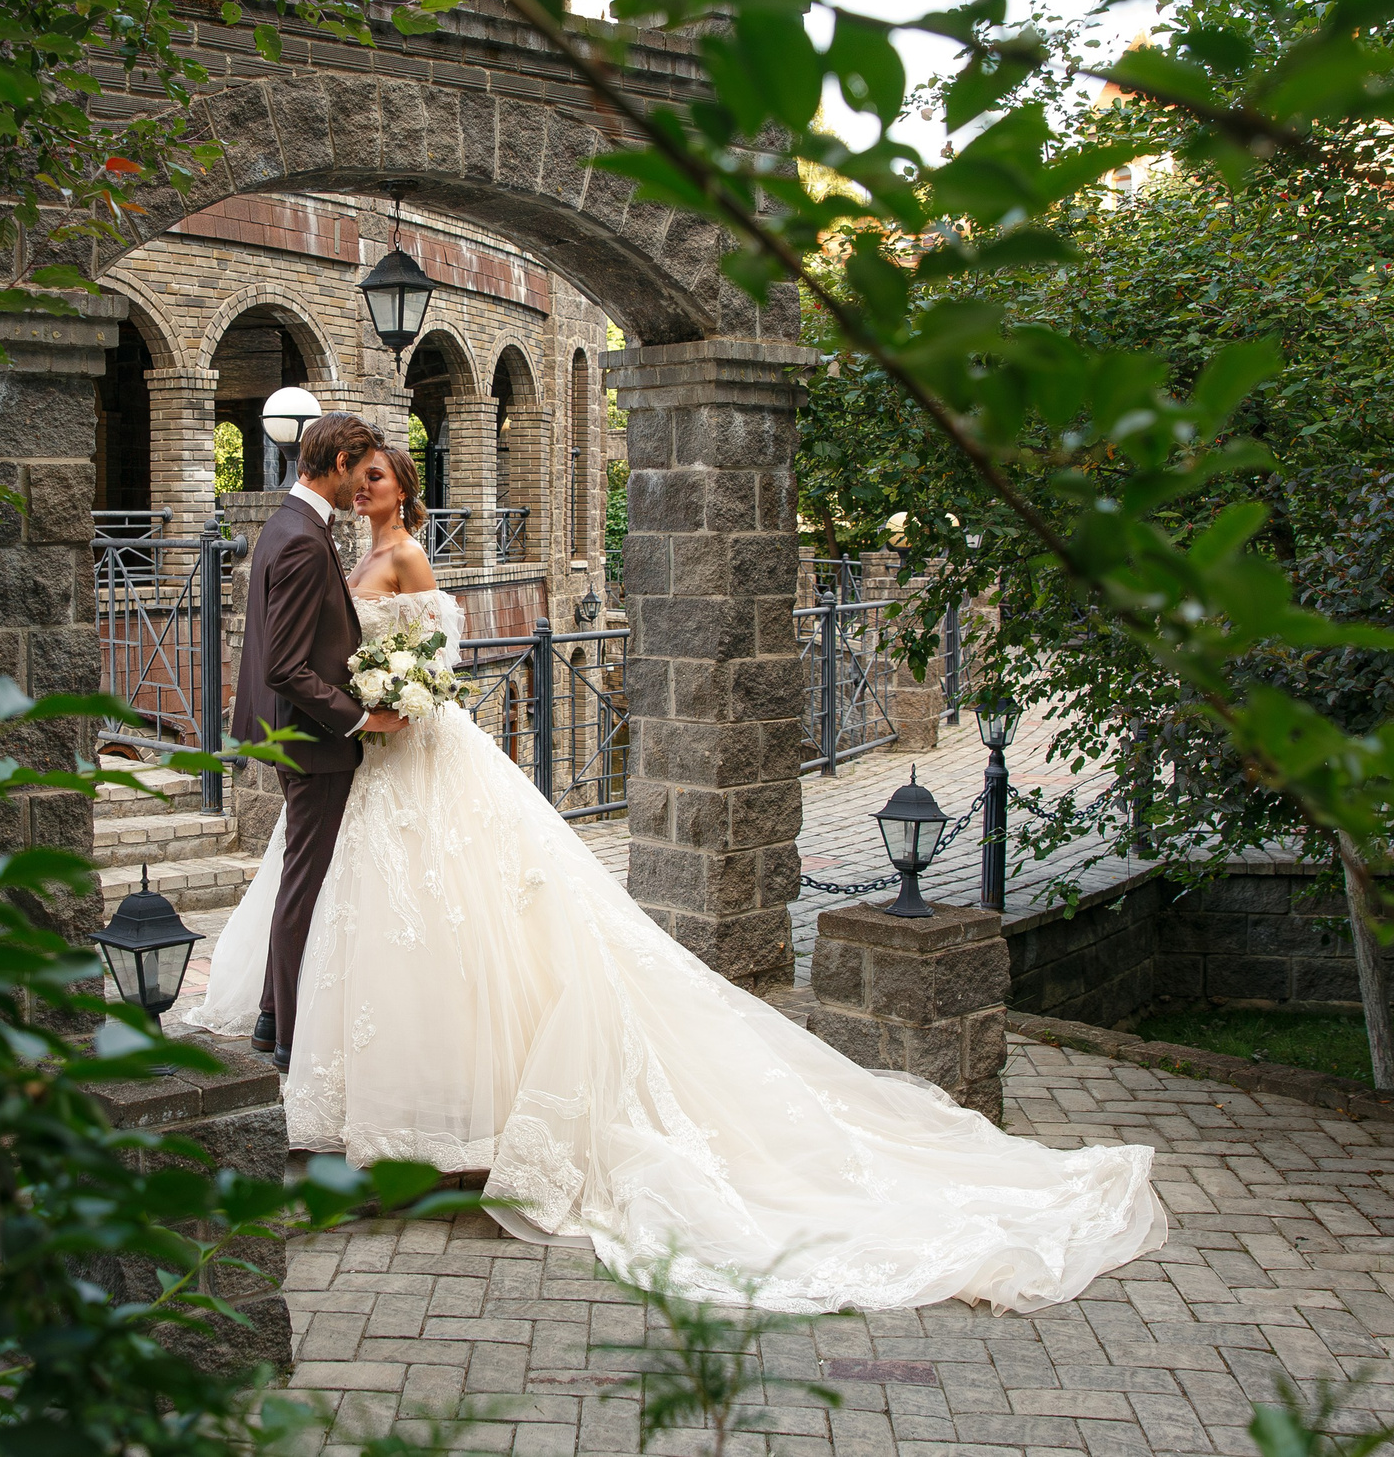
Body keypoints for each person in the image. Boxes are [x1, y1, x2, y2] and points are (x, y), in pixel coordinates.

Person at [183, 446, 1165, 1314]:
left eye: (382, 480)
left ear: (403, 491)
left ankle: (457, 1128)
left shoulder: (405, 557)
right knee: (398, 933)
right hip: (375, 761)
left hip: (419, 745)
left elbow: (429, 658)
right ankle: (397, 1121)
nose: (370, 491)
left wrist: (398, 703)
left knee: (470, 920)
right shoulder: (342, 550)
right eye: (362, 480)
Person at [223, 411, 405, 1074]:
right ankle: (290, 1037)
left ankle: (274, 1010)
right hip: (312, 739)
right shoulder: (302, 539)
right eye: (360, 470)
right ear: (338, 463)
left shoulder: (288, 524)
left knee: (297, 876)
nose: (362, 483)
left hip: (288, 735)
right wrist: (361, 719)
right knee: (306, 883)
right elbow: (284, 666)